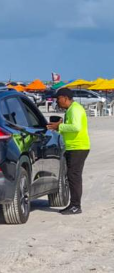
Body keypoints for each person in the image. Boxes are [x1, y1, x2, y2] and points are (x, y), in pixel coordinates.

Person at [47, 87, 90, 215]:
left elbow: (76, 127)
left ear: (65, 98)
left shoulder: (75, 109)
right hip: (74, 147)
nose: (57, 102)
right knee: (71, 176)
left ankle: (76, 206)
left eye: (58, 99)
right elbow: (70, 127)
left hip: (78, 147)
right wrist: (59, 126)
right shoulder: (70, 110)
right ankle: (74, 204)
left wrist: (59, 126)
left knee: (74, 177)